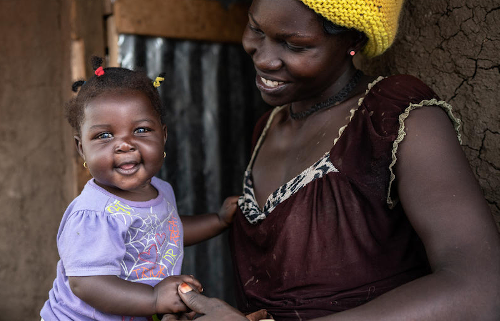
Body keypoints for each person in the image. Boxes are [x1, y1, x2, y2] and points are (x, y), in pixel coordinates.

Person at [162, 0, 500, 320]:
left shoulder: (392, 119)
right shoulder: (268, 127)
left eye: (294, 45)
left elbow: (481, 289)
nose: (263, 58)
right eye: (255, 29)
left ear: (352, 41)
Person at [40, 57, 238, 321]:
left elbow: (165, 232)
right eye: (104, 135)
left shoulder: (161, 190)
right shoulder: (94, 213)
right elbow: (86, 283)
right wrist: (154, 299)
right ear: (81, 148)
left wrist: (218, 221)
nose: (125, 145)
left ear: (163, 136)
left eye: (141, 130)